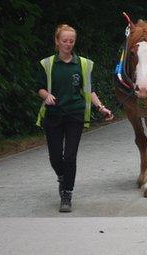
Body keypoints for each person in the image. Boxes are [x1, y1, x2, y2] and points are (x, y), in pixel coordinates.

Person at [36, 24, 114, 213]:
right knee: (55, 158)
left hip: (75, 115)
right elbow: (39, 88)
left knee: (70, 157)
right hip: (53, 115)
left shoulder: (83, 64)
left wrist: (101, 107)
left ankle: (67, 194)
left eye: (71, 41)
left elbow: (89, 91)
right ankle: (63, 177)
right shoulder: (47, 64)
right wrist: (46, 95)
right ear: (57, 41)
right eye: (64, 40)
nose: (68, 44)